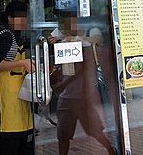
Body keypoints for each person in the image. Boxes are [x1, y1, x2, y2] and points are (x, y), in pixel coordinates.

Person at [49, 12, 115, 155]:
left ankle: (111, 151)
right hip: (66, 98)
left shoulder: (83, 42)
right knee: (63, 135)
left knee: (94, 131)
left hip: (81, 97)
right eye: (67, 23)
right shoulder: (62, 42)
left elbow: (82, 67)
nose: (70, 26)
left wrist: (62, 85)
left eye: (73, 22)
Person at [0, 1, 34, 155]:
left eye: (25, 18)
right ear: (9, 18)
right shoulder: (6, 36)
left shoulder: (17, 36)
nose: (23, 21)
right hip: (7, 95)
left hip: (18, 93)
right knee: (10, 139)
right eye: (19, 18)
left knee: (21, 138)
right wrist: (22, 62)